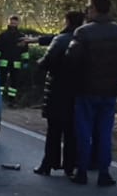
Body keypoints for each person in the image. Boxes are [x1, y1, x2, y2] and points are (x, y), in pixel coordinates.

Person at [62, 0, 117, 186]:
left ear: (94, 9)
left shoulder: (83, 33)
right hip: (110, 91)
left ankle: (82, 171)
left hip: (86, 90)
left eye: (88, 7)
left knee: (84, 131)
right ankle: (104, 172)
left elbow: (71, 60)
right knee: (104, 132)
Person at [32, 10, 85, 176]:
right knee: (71, 132)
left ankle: (48, 164)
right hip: (77, 91)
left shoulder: (60, 40)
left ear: (67, 21)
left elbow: (46, 62)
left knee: (54, 131)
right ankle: (70, 166)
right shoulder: (84, 40)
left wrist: (38, 63)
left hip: (57, 90)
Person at [0, 15, 35, 106]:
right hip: (4, 62)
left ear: (18, 23)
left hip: (16, 63)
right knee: (1, 81)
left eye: (15, 23)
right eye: (12, 23)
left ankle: (11, 100)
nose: (13, 24)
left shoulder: (21, 36)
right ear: (9, 22)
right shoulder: (3, 35)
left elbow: (25, 50)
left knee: (14, 82)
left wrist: (25, 61)